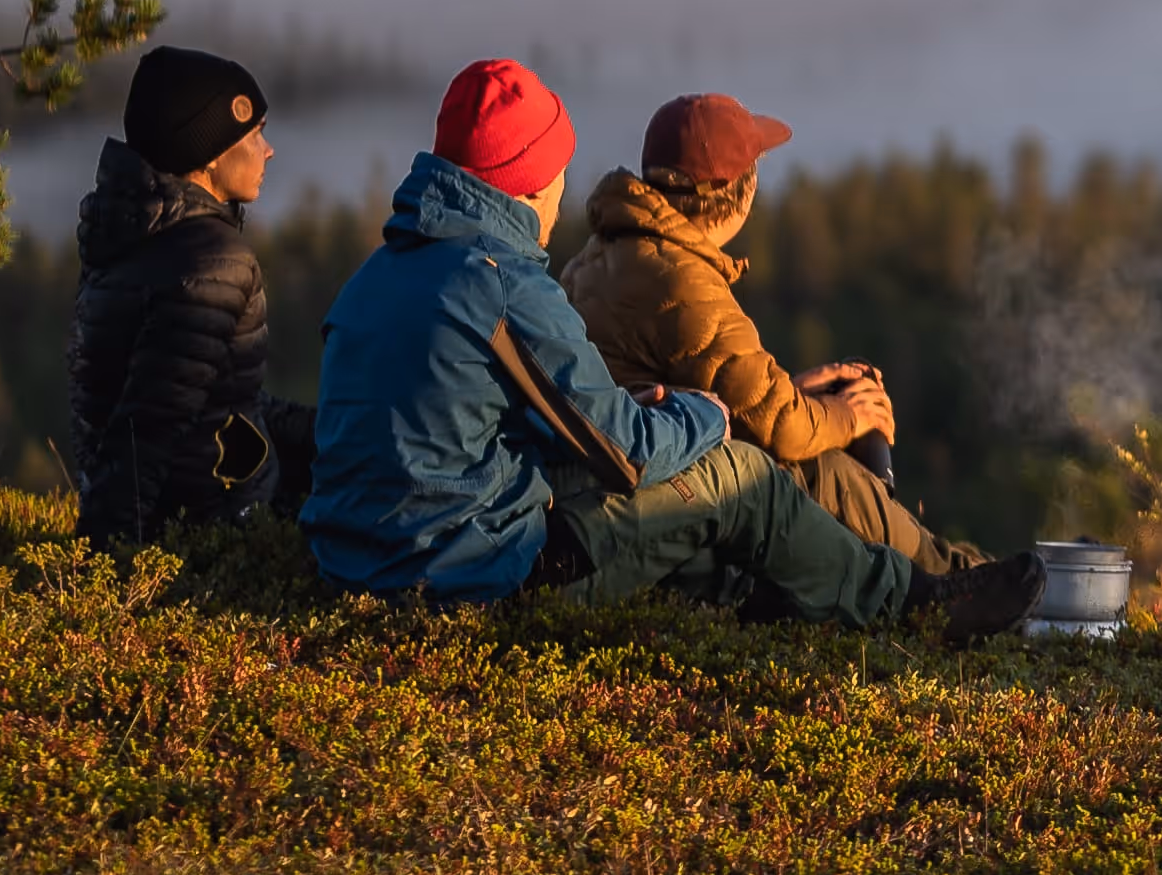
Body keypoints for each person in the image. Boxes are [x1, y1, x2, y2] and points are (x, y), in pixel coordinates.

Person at [307, 55, 1039, 638]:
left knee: (704, 467)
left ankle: (854, 588)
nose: (564, 190)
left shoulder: (384, 271)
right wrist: (703, 415)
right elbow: (626, 454)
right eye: (559, 171)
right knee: (740, 474)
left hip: (362, 563)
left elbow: (461, 425)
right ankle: (910, 606)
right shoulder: (501, 283)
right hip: (470, 579)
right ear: (532, 180)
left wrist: (631, 408)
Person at [565, 89, 974, 575]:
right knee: (826, 474)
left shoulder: (601, 254)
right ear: (740, 193)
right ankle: (951, 582)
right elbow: (782, 429)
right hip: (658, 503)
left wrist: (798, 393)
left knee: (819, 460)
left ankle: (962, 571)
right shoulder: (681, 280)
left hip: (620, 478)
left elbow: (698, 394)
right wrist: (850, 416)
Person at [67, 43, 303, 547]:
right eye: (254, 133)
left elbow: (212, 396)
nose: (269, 150)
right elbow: (148, 426)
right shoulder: (213, 260)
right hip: (214, 529)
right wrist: (106, 572)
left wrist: (323, 430)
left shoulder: (131, 234)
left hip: (179, 512)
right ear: (211, 152)